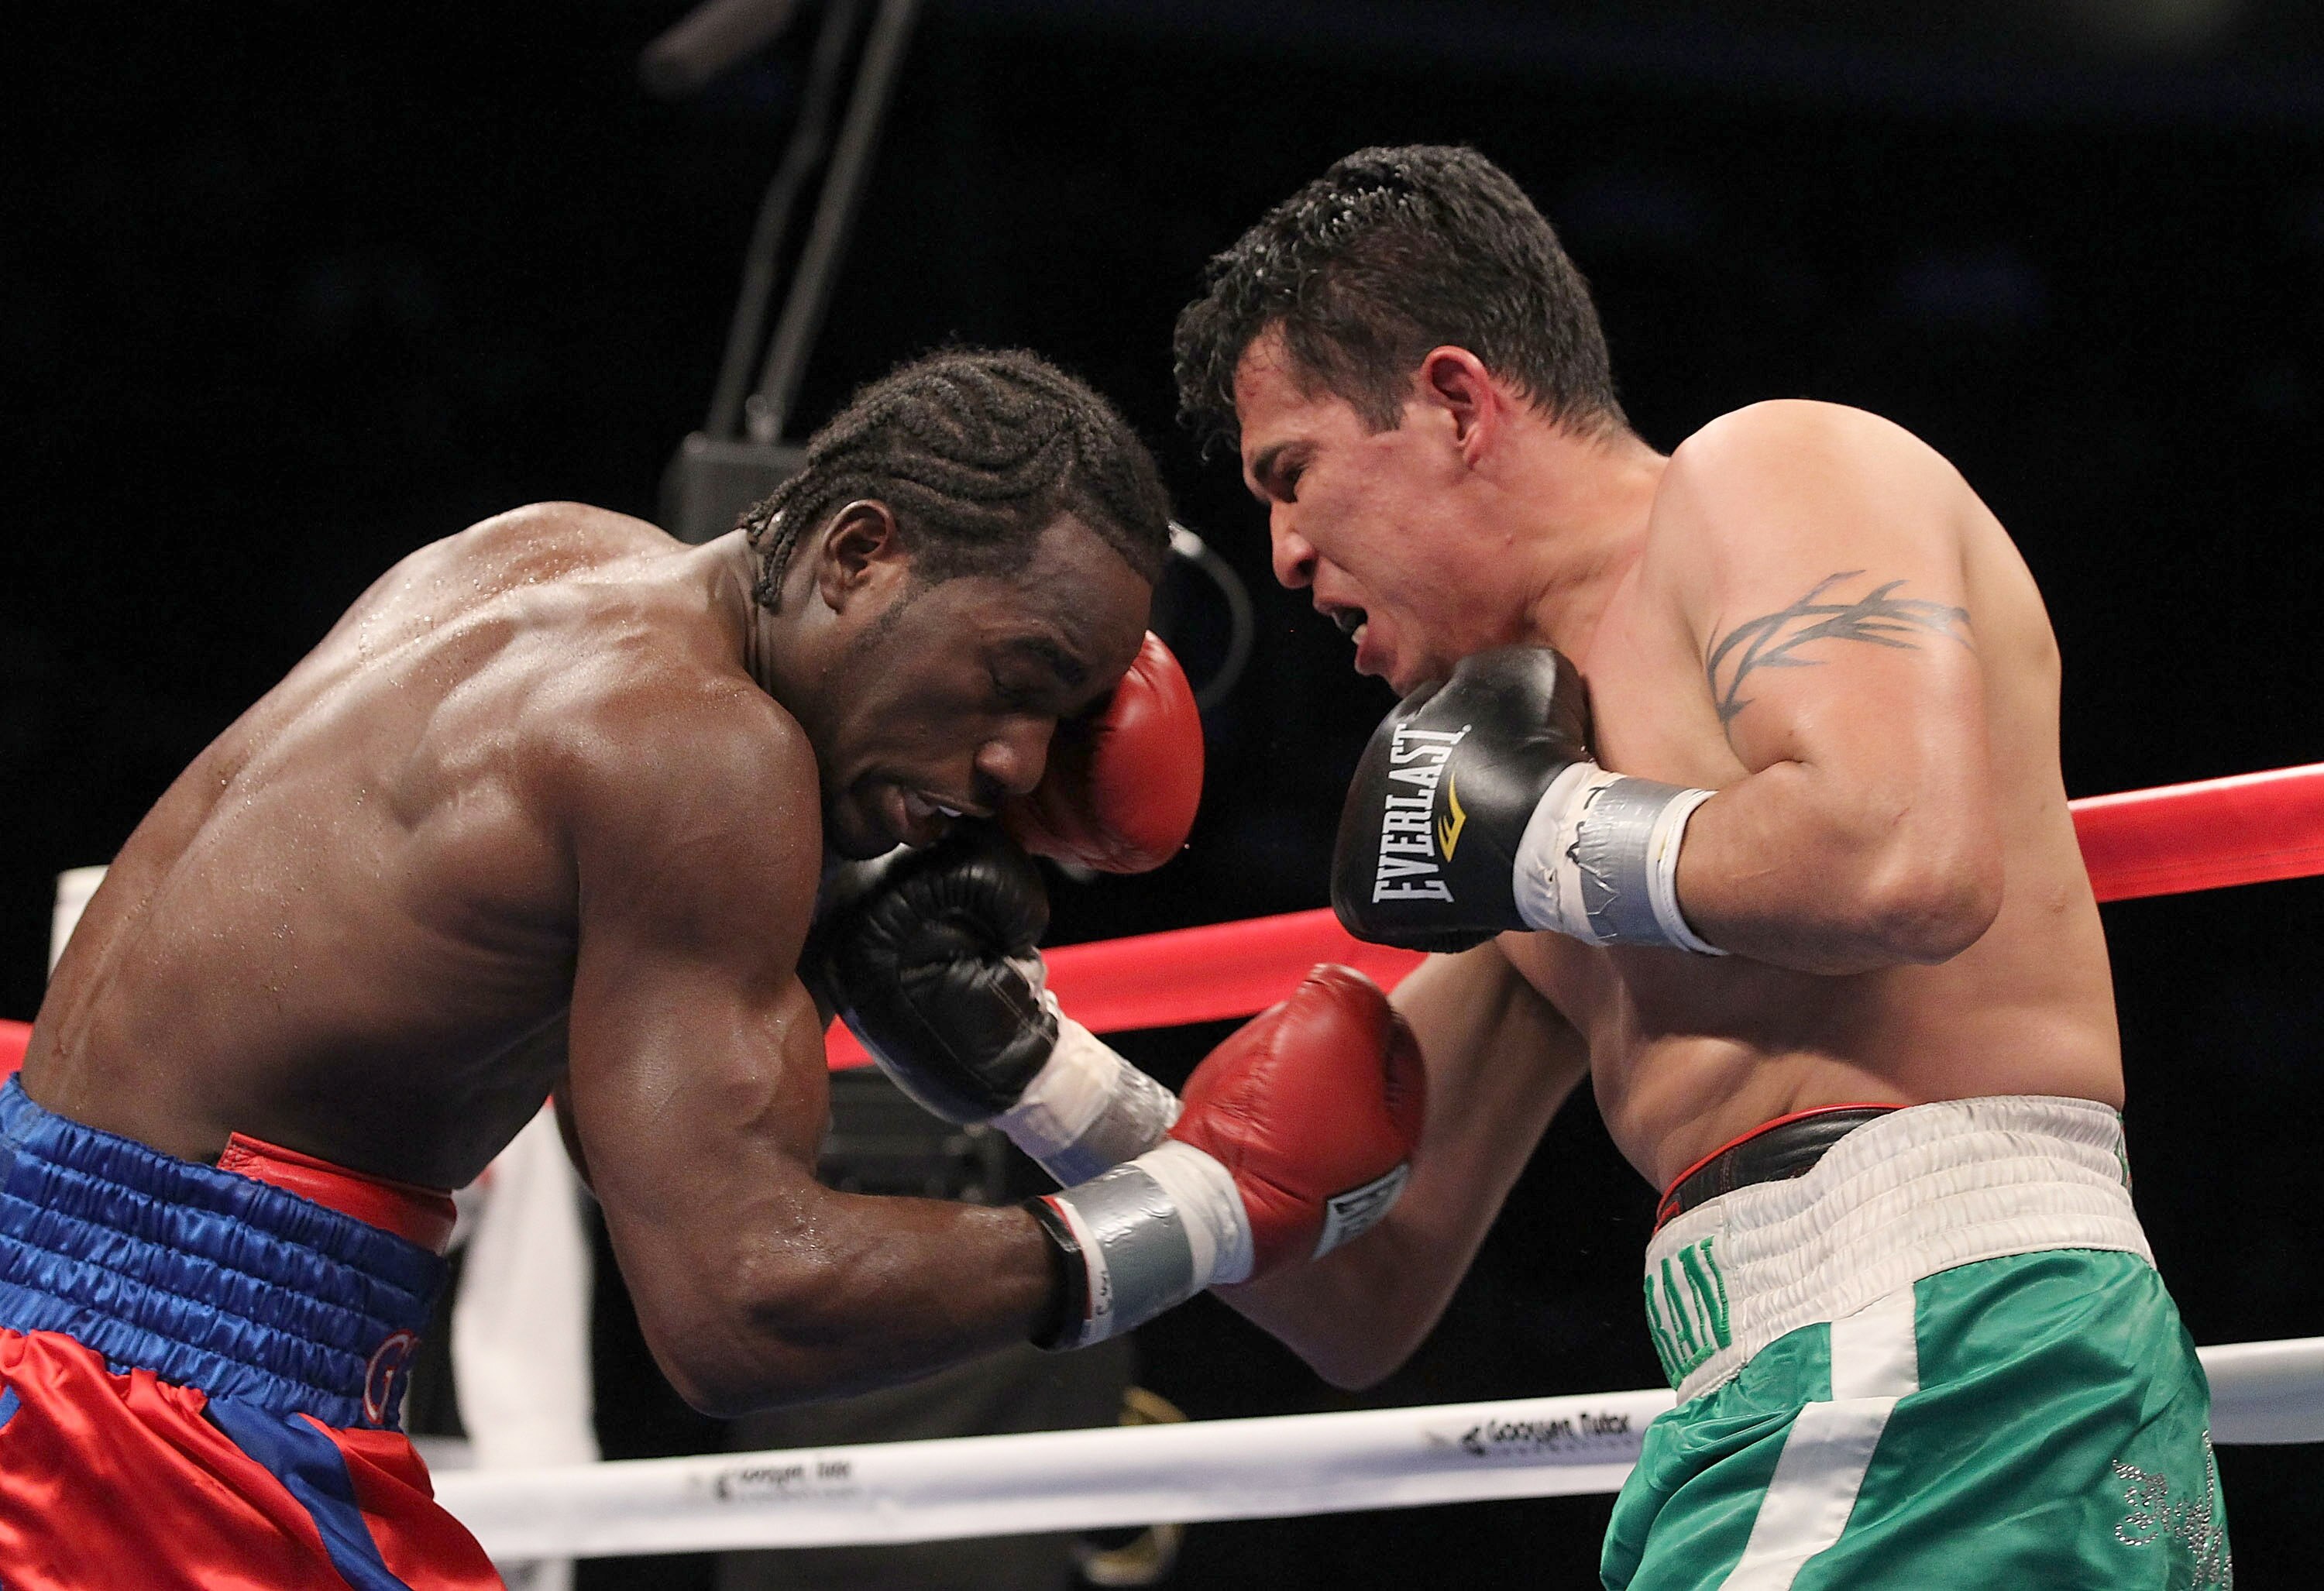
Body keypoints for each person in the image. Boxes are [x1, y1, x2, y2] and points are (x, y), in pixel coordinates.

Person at [2, 348, 1423, 1589]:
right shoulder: (708, 754)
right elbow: (741, 1299)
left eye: (1058, 723)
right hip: (150, 1419)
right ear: (858, 553)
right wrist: (1199, 1206)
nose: (1012, 766)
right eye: (1012, 677)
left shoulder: (553, 554)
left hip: (86, 1331)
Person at [1161, 146, 2229, 1588]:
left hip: (1944, 1353)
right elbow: (1362, 1290)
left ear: (1456, 402)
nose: (1283, 554)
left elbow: (1904, 859)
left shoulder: (1774, 471)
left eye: (1292, 477)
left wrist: (1543, 841)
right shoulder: (1534, 795)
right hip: (1799, 1392)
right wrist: (1019, 1064)